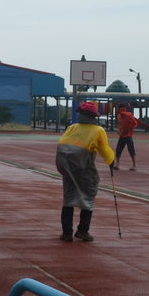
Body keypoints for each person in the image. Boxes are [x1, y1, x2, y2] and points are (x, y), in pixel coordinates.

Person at [55, 101, 116, 242]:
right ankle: (82, 230)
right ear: (94, 116)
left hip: (68, 168)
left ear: (80, 114)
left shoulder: (72, 127)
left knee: (68, 199)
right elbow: (104, 149)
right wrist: (111, 161)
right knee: (88, 197)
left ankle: (66, 233)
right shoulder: (98, 130)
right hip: (85, 168)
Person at [115, 104, 139, 171]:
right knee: (120, 150)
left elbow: (134, 123)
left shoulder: (127, 115)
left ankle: (133, 165)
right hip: (124, 135)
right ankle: (118, 165)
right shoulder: (121, 115)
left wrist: (129, 129)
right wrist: (120, 130)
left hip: (127, 136)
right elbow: (121, 124)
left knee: (129, 150)